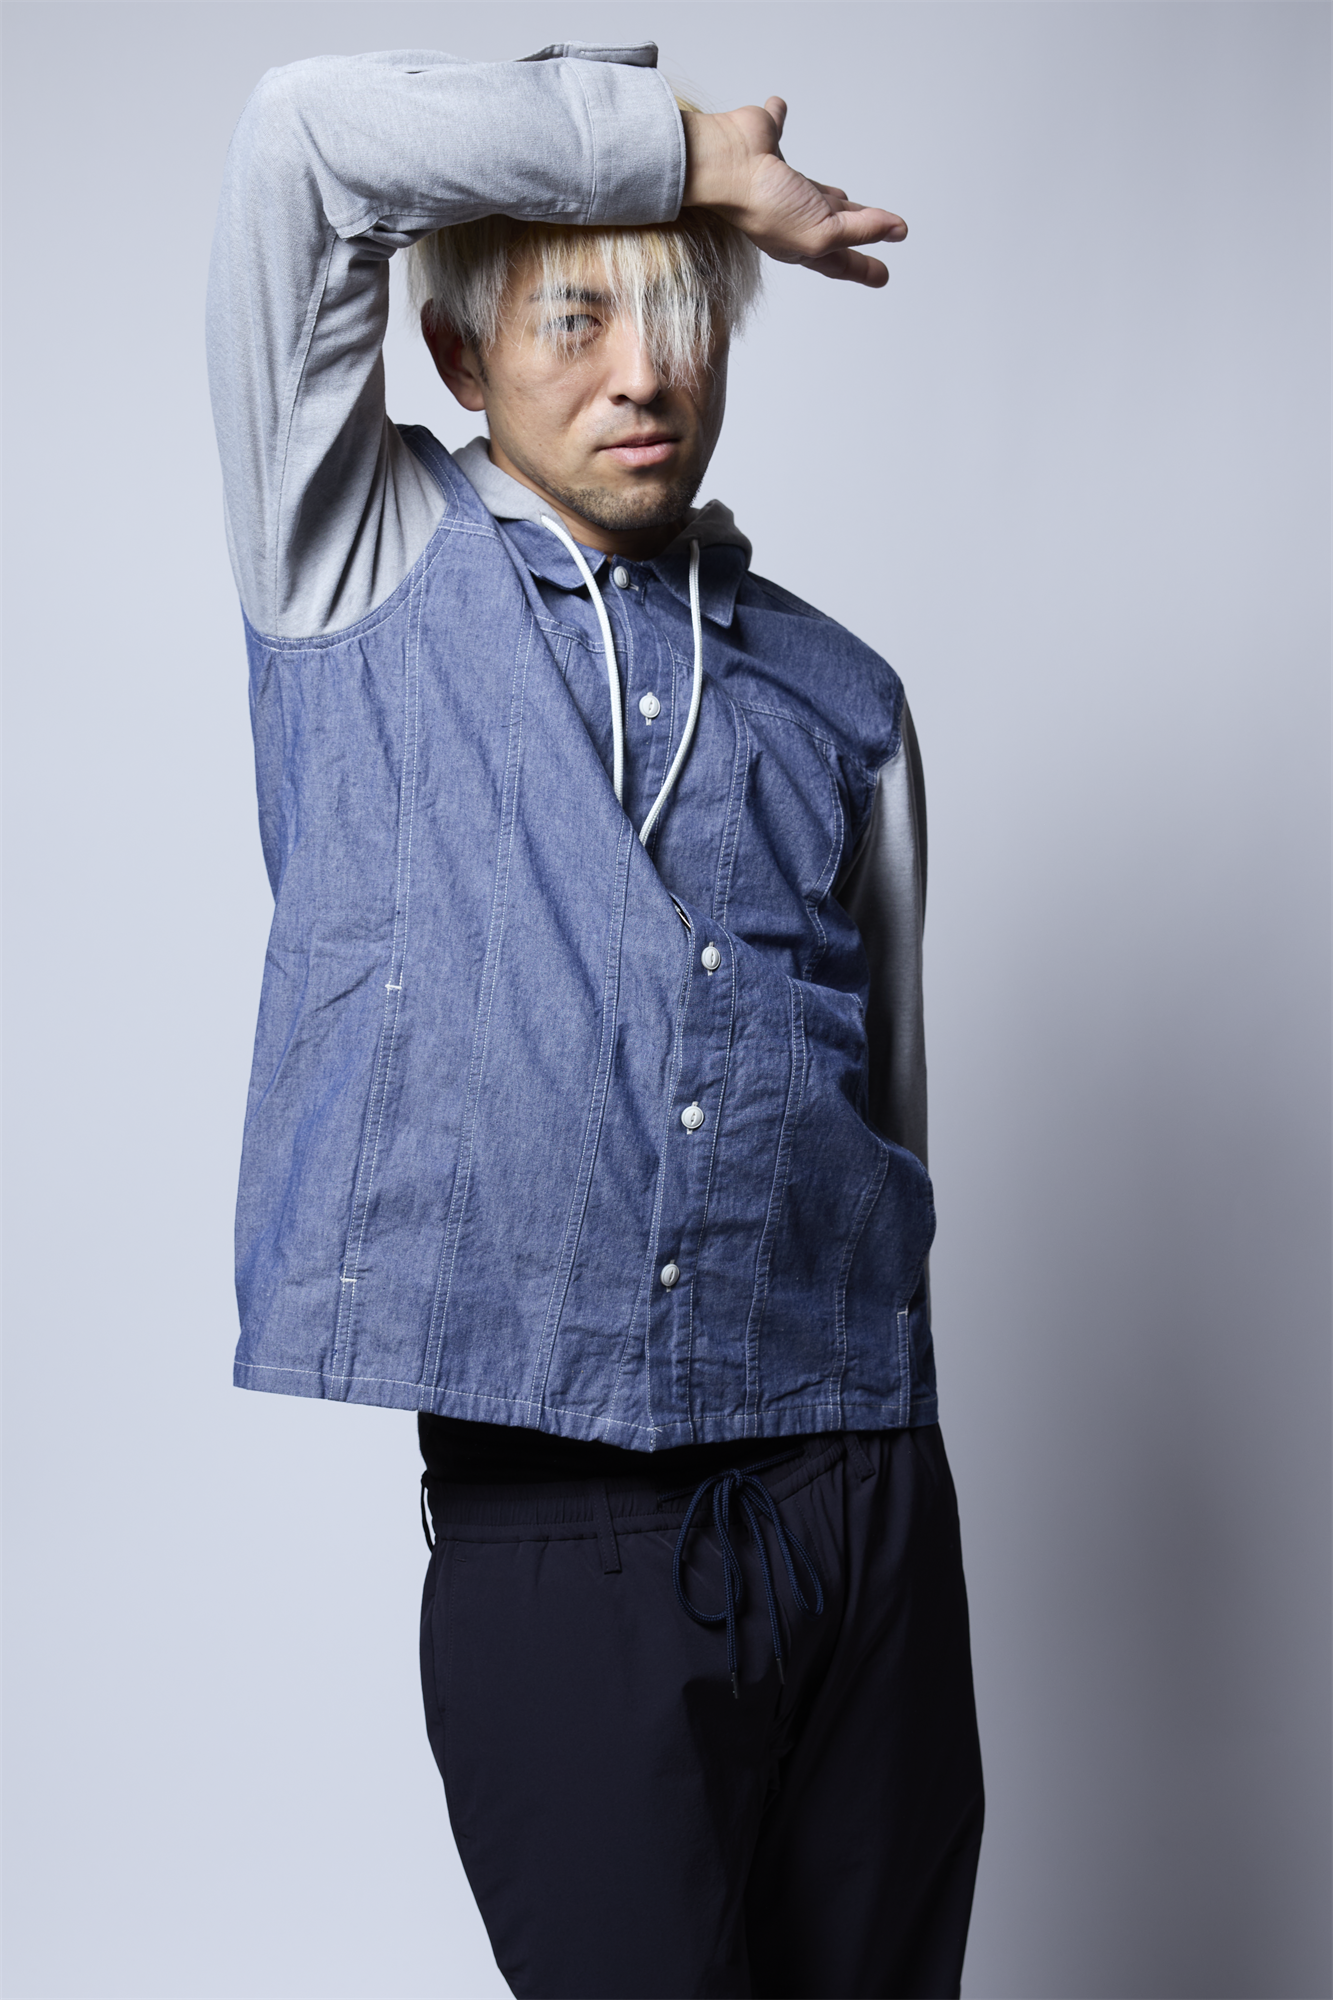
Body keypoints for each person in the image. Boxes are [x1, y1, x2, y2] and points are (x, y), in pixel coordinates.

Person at [208, 37, 983, 2000]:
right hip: (563, 1520)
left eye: (682, 318)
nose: (647, 371)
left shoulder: (845, 697)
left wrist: (899, 1464)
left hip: (864, 1486)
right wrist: (689, 159)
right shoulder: (360, 567)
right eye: (579, 316)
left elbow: (893, 1116)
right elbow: (302, 142)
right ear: (459, 357)